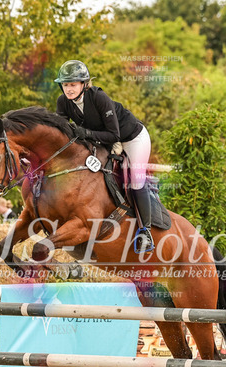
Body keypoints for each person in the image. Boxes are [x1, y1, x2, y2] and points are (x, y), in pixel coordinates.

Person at [54, 59, 154, 253]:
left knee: (135, 179)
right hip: (105, 142)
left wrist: (86, 133)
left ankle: (146, 232)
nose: (69, 89)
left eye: (73, 84)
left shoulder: (99, 97)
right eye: (65, 85)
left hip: (132, 138)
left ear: (84, 84)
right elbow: (61, 134)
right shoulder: (63, 102)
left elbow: (114, 134)